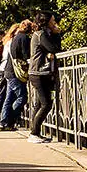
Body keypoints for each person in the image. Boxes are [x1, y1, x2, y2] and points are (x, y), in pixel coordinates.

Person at [25, 11, 62, 143]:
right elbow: (55, 48)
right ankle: (34, 133)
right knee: (46, 104)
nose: (54, 23)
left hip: (40, 73)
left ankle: (35, 132)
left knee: (40, 103)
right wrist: (57, 35)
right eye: (52, 20)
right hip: (38, 73)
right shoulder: (41, 35)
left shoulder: (43, 34)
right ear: (46, 22)